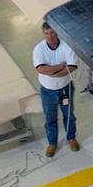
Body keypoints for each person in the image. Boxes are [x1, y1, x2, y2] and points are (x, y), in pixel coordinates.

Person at [32, 20, 80, 157]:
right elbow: (41, 69)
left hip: (66, 88)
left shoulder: (67, 46)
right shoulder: (39, 49)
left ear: (57, 32)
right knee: (50, 117)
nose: (50, 36)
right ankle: (52, 143)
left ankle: (71, 138)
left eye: (52, 32)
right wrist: (60, 66)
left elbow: (72, 67)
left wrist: (52, 71)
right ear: (43, 34)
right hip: (47, 90)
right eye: (46, 33)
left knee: (69, 115)